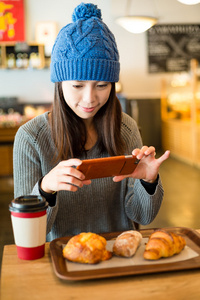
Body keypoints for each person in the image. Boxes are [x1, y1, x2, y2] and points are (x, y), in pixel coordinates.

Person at [13, 3, 170, 242]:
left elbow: (142, 216)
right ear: (60, 84)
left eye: (102, 85)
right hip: (62, 259)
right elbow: (29, 235)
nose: (90, 98)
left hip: (119, 255)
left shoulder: (125, 129)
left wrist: (148, 182)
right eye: (77, 85)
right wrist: (45, 188)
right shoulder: (31, 137)